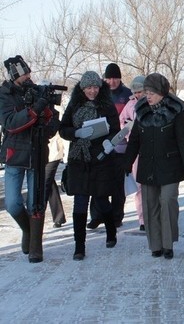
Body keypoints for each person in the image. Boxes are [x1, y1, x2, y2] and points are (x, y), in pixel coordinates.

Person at [124, 73, 184, 260]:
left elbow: (183, 139)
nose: (148, 96)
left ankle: (168, 243)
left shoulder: (175, 110)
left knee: (168, 201)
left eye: (152, 92)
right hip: (148, 165)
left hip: (171, 165)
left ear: (162, 93)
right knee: (150, 205)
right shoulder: (140, 110)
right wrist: (127, 162)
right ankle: (155, 245)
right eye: (146, 92)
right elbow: (134, 140)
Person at [0, 55, 60, 263]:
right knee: (13, 203)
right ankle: (28, 231)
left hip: (37, 151)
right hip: (15, 153)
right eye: (24, 73)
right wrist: (34, 109)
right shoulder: (4, 94)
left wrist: (49, 123)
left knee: (36, 201)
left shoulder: (36, 90)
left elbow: (52, 117)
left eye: (28, 73)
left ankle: (36, 246)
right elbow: (10, 123)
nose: (28, 76)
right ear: (15, 75)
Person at [59, 71, 121, 261]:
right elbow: (63, 129)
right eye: (88, 88)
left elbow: (116, 130)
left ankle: (111, 231)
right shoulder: (74, 104)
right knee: (80, 202)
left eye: (95, 87)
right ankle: (79, 247)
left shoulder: (107, 105)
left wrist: (108, 141)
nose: (92, 91)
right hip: (79, 160)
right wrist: (77, 133)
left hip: (100, 159)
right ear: (82, 88)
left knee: (101, 200)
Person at [87, 62, 132, 229]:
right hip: (101, 144)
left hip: (121, 145)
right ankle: (96, 216)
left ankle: (116, 216)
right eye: (108, 78)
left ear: (120, 79)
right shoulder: (99, 95)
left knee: (118, 183)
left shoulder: (127, 95)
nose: (112, 81)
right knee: (98, 181)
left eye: (115, 78)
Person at [118, 75, 145, 230]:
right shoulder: (130, 104)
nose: (138, 94)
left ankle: (156, 216)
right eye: (136, 92)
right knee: (139, 186)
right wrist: (128, 131)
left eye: (140, 91)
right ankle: (142, 219)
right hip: (135, 149)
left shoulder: (152, 102)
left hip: (150, 148)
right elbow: (122, 121)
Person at [45, 132, 67, 228]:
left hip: (54, 149)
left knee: (45, 182)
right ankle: (59, 217)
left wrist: (67, 157)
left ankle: (36, 216)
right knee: (48, 183)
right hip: (39, 151)